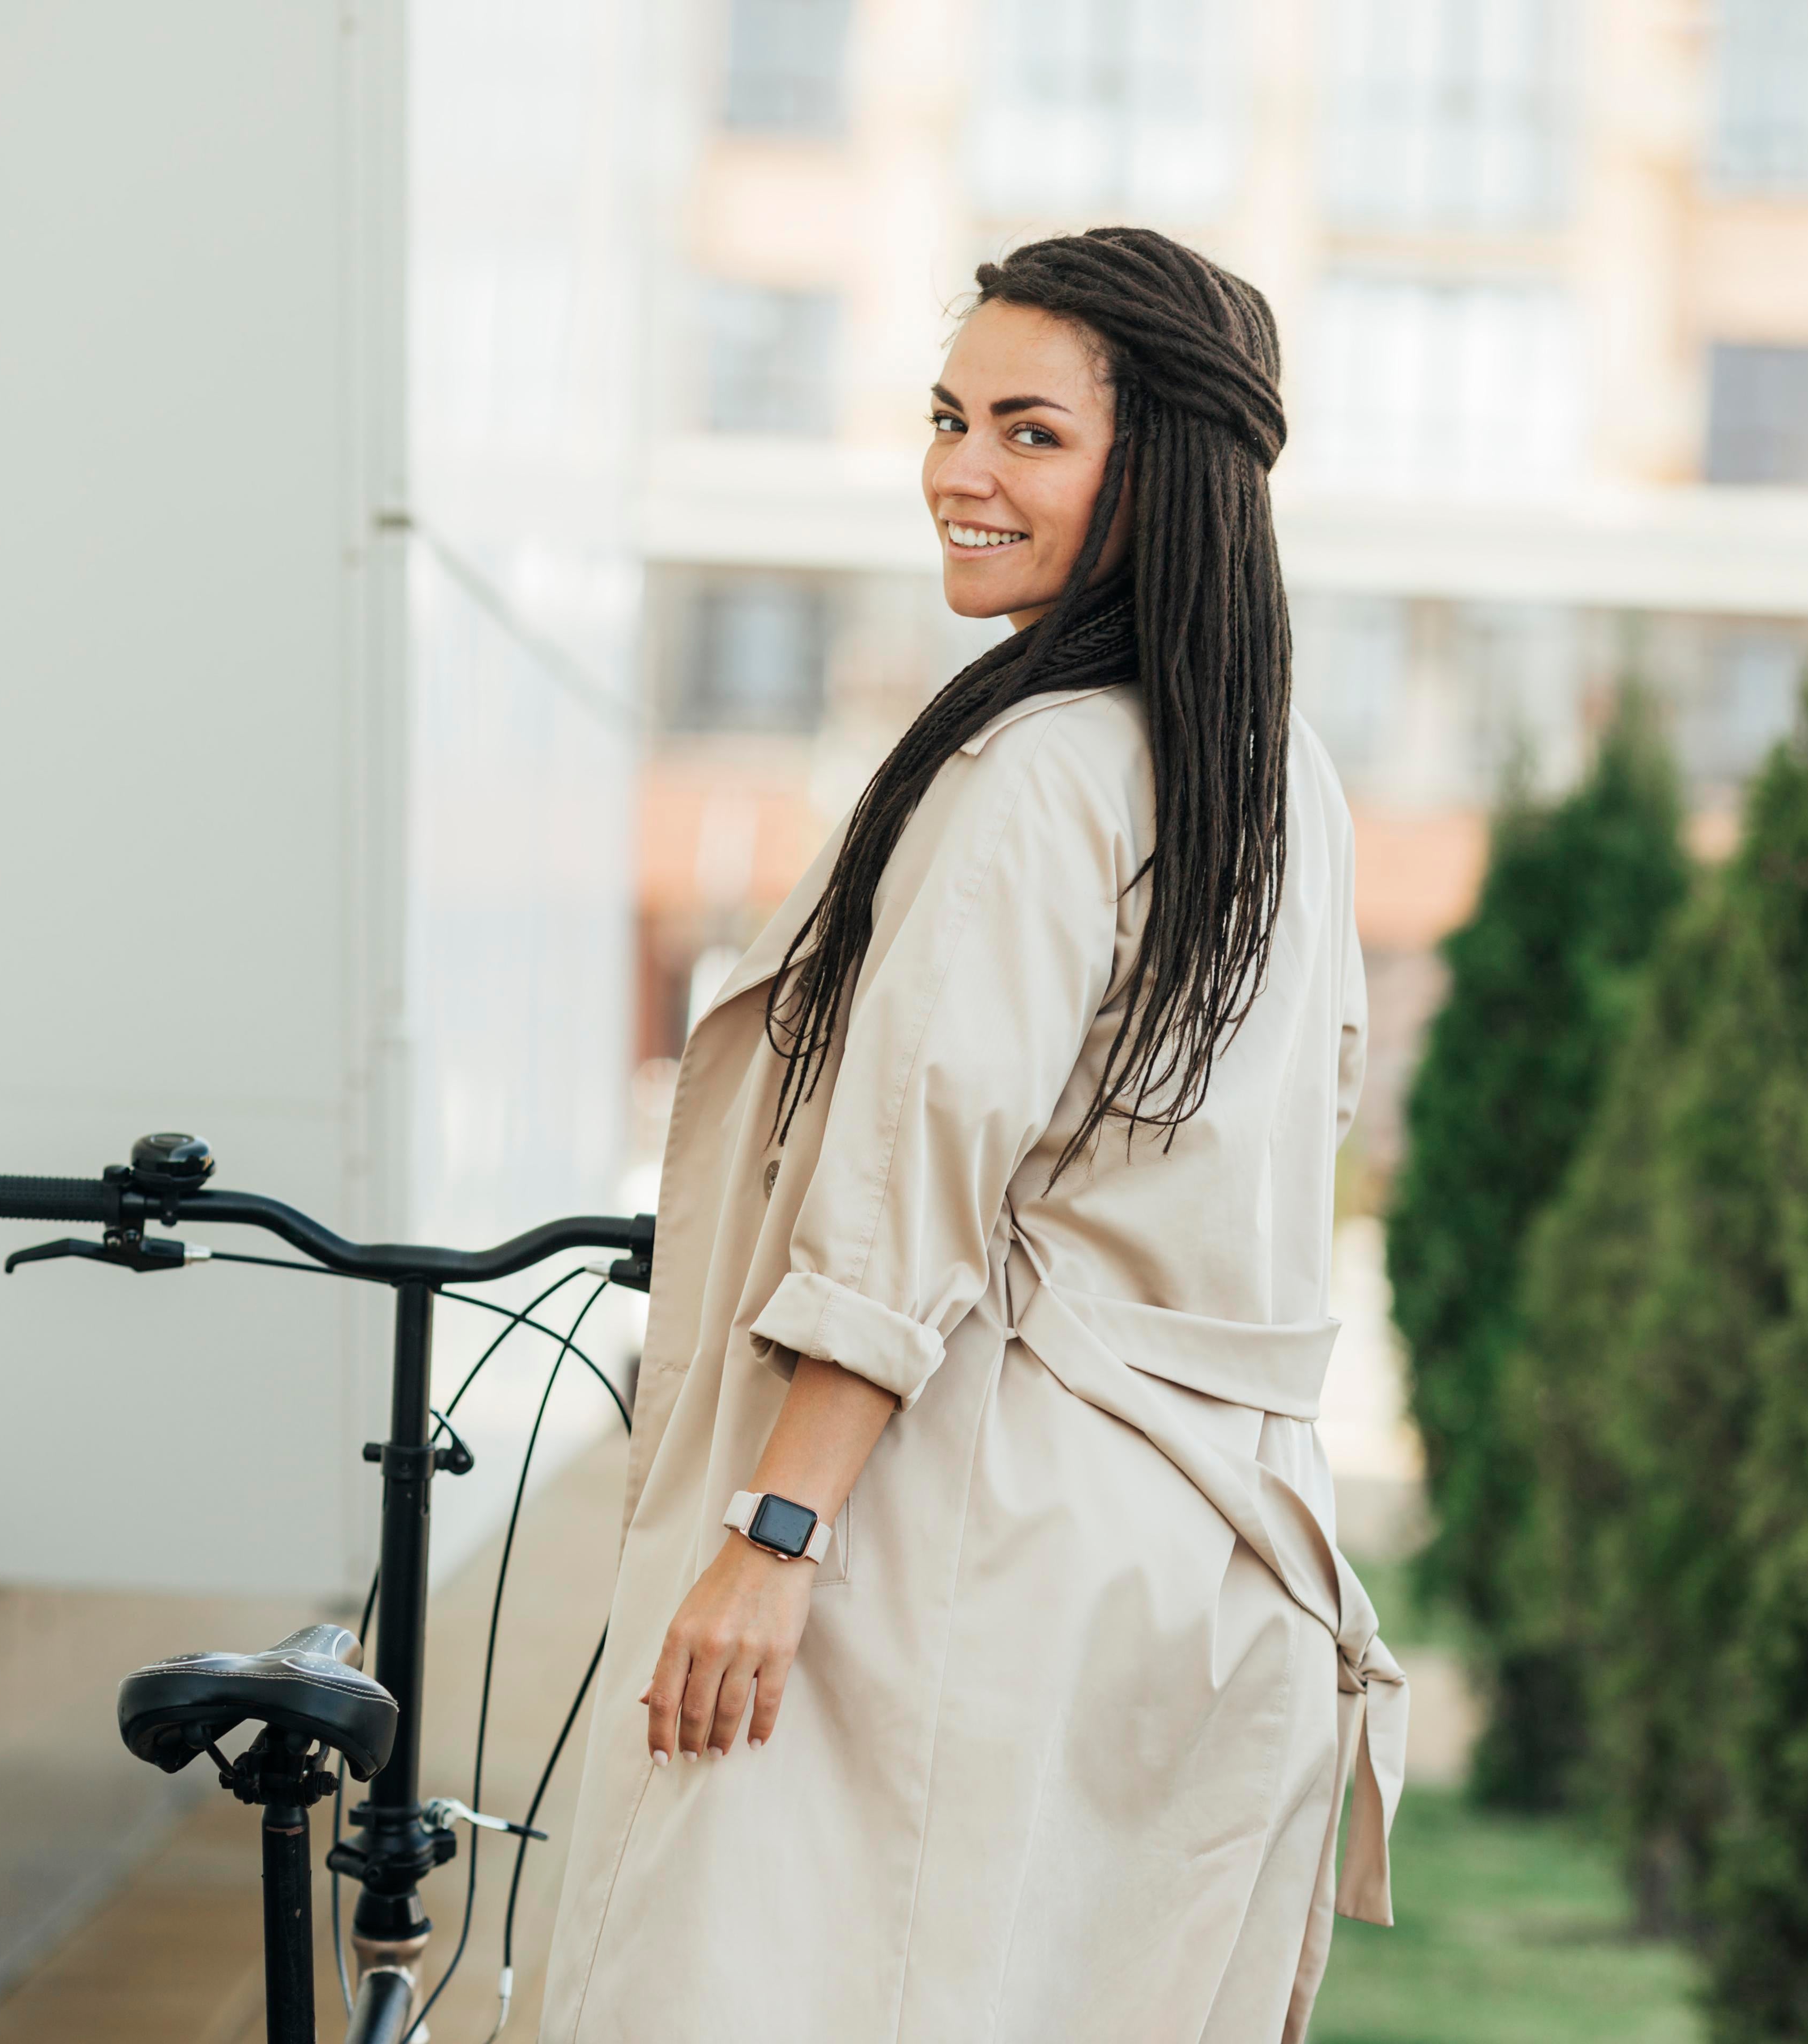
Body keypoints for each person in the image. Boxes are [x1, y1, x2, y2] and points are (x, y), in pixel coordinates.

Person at [538, 227, 1405, 2044]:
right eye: (949, 419)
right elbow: (1290, 1139)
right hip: (1203, 1564)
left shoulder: (1038, 773)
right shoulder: (1286, 782)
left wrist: (773, 1540)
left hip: (968, 1537)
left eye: (1031, 433)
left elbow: (910, 1187)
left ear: (1163, 467)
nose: (960, 474)